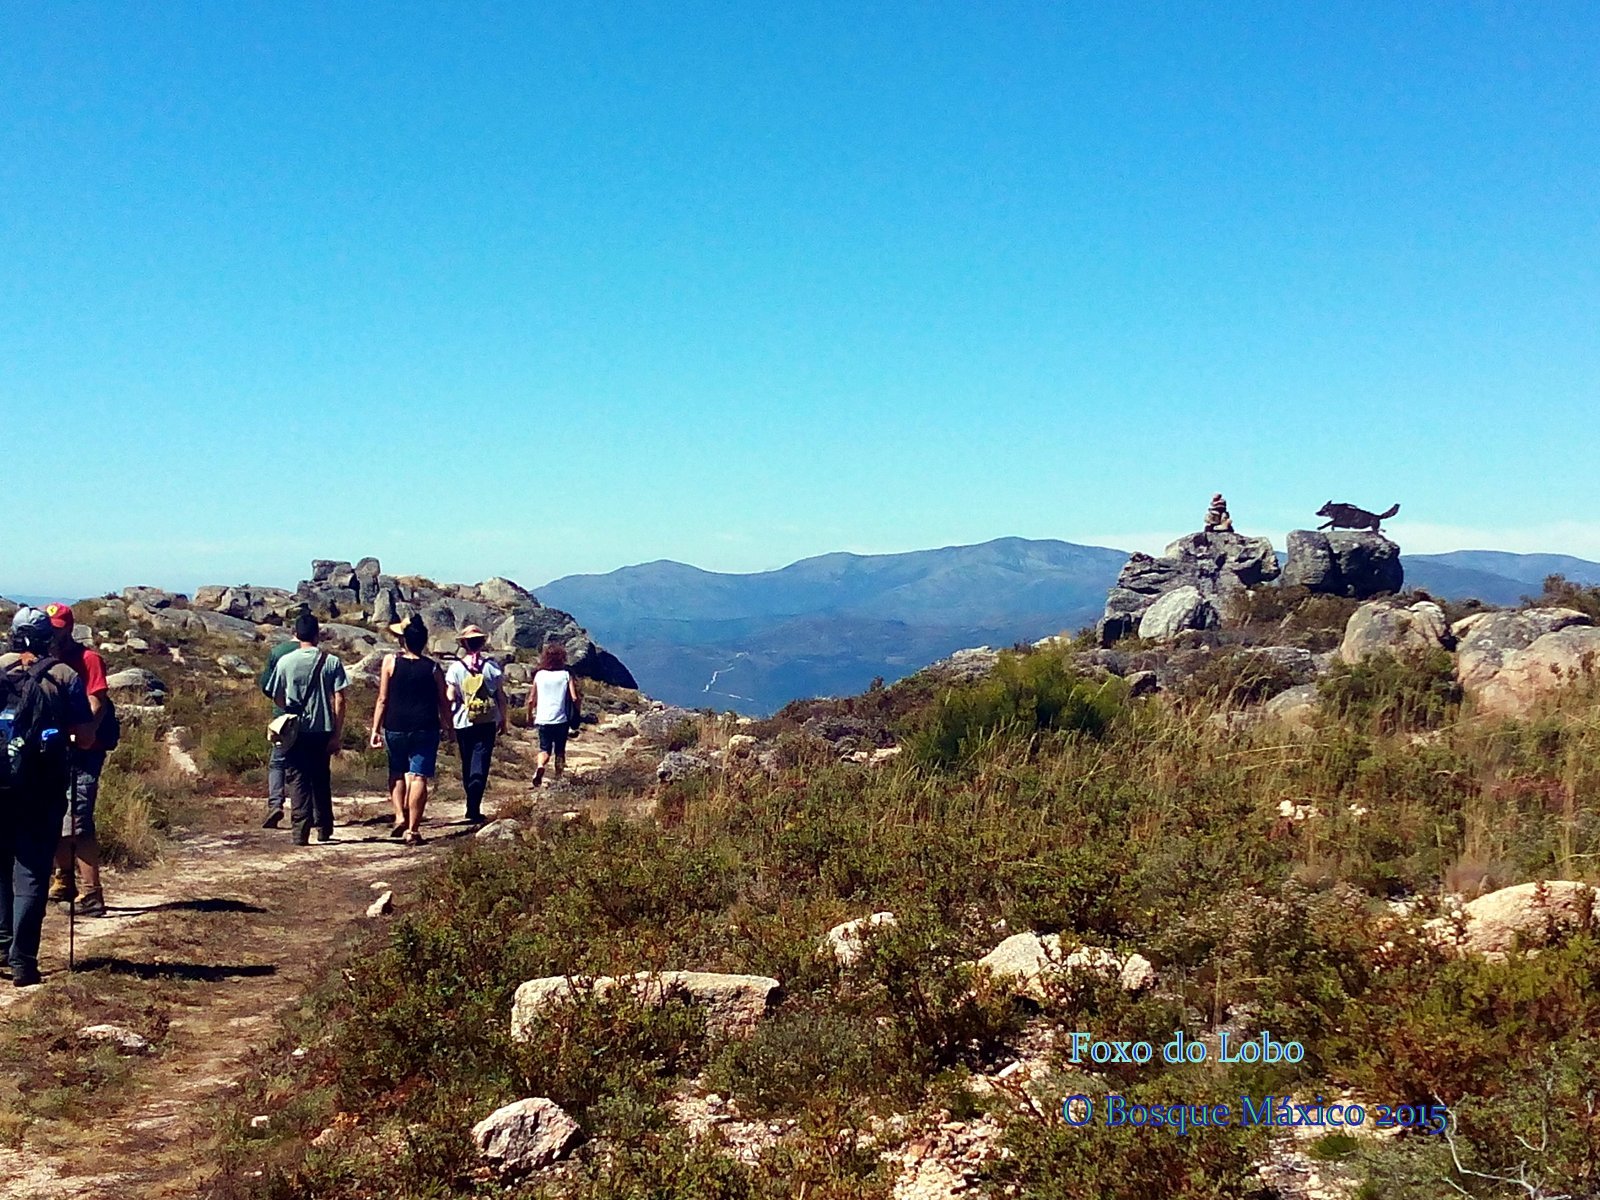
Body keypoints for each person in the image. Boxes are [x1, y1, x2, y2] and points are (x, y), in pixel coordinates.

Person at [0, 608, 95, 986]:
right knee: (33, 872)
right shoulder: (64, 675)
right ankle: (23, 961)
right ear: (48, 638)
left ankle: (2, 945)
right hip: (42, 788)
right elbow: (85, 737)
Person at [41, 604, 112, 917]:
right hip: (54, 749)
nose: (54, 633)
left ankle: (92, 893)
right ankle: (64, 880)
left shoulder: (88, 659)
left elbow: (97, 701)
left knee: (78, 821)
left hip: (84, 751)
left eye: (58, 628)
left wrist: (84, 733)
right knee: (56, 814)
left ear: (69, 629)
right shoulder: (45, 660)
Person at [368, 615, 453, 845]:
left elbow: (382, 699)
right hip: (425, 727)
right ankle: (413, 830)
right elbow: (443, 701)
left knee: (397, 771)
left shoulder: (390, 662)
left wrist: (375, 729)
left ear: (404, 640)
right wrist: (449, 725)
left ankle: (399, 816)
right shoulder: (433, 668)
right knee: (418, 777)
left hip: (395, 725)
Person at [265, 612, 348, 846]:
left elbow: (276, 696)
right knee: (320, 777)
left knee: (297, 779)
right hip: (323, 727)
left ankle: (300, 832)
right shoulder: (331, 661)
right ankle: (324, 827)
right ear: (317, 634)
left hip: (295, 730)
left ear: (296, 634)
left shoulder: (285, 662)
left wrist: (290, 709)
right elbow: (340, 699)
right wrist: (337, 733)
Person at [444, 624, 505, 823]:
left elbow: (450, 696)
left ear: (464, 644)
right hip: (487, 720)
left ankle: (470, 795)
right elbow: (500, 696)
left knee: (467, 760)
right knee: (481, 760)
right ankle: (474, 806)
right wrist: (503, 719)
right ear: (482, 643)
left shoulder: (455, 668)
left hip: (462, 721)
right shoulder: (492, 667)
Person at [257, 621, 303, 829]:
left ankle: (275, 804)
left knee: (278, 763)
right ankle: (304, 809)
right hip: (310, 716)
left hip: (283, 716)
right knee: (305, 764)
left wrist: (280, 702)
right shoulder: (317, 654)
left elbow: (267, 685)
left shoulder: (278, 652)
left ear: (293, 631)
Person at [526, 642, 580, 788]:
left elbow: (531, 699)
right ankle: (558, 777)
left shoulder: (539, 675)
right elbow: (574, 697)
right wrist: (577, 713)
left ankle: (540, 766)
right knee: (560, 750)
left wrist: (529, 716)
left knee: (544, 749)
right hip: (561, 719)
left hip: (543, 718)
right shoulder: (565, 675)